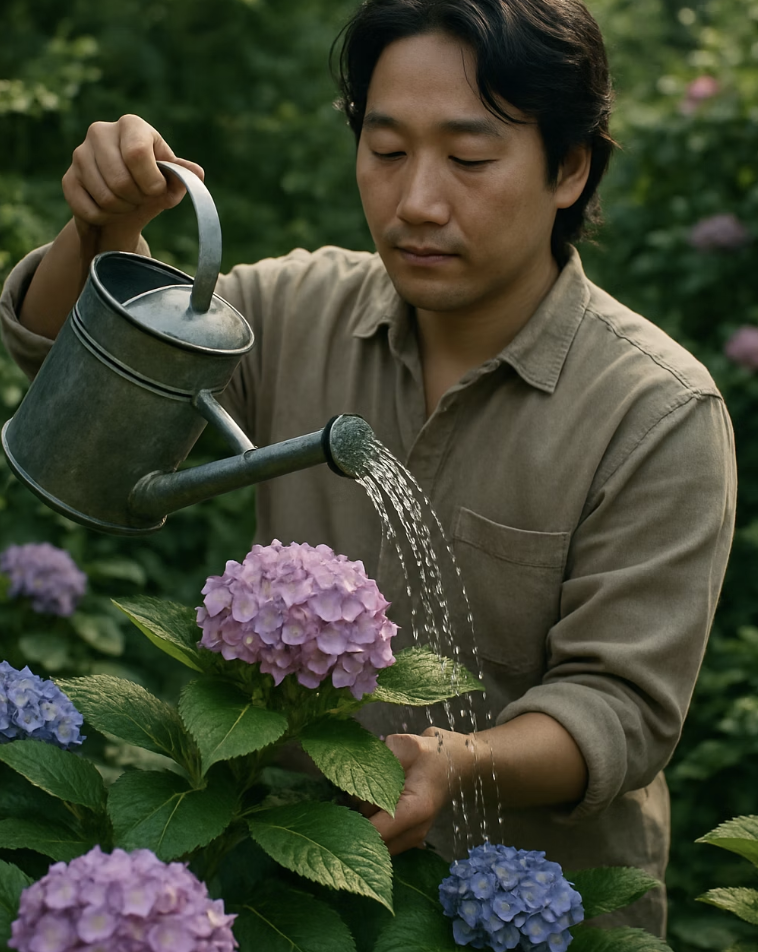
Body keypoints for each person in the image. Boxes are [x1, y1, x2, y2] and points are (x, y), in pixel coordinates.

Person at [0, 0, 736, 937]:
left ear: (570, 166)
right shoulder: (300, 309)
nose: (418, 201)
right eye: (387, 152)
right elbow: (76, 369)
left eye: (469, 159)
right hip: (285, 889)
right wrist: (99, 228)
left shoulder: (654, 410)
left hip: (527, 917)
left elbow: (618, 706)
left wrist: (458, 759)